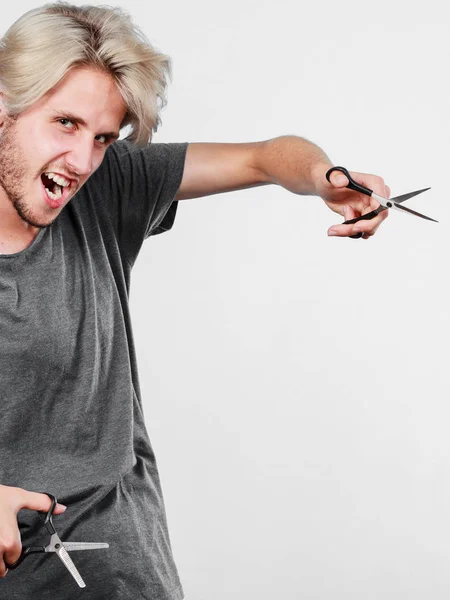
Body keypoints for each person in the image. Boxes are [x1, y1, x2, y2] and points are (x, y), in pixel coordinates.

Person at [0, 3, 388, 599]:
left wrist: (324, 176)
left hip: (124, 569)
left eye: (104, 137)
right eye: (66, 124)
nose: (81, 163)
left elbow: (264, 156)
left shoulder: (109, 186)